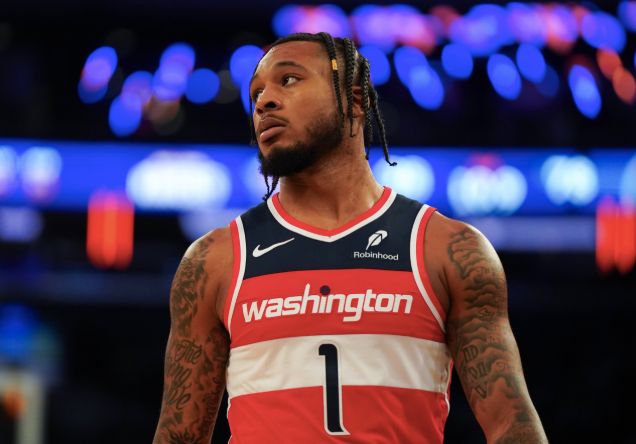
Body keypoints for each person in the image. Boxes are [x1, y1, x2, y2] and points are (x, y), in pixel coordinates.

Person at [153, 32, 548, 444]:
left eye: (288, 79)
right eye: (256, 93)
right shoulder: (215, 260)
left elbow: (512, 426)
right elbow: (178, 437)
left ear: (354, 100)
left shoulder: (448, 249)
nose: (264, 101)